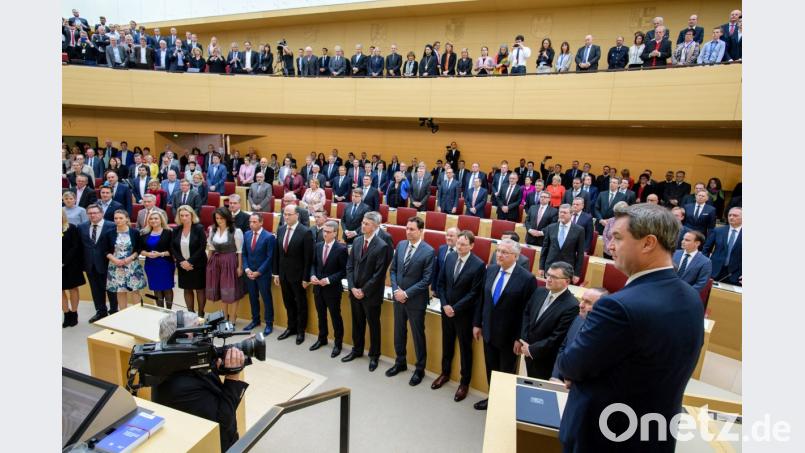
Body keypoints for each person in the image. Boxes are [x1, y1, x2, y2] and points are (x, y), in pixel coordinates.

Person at [557, 203, 704, 451]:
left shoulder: (617, 307)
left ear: (648, 243)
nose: (610, 246)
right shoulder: (691, 298)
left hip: (604, 437)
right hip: (655, 434)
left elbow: (571, 365)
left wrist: (575, 372)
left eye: (617, 238)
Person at [152, 311, 248, 452]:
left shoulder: (176, 361)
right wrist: (232, 377)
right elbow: (222, 424)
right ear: (180, 339)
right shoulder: (180, 387)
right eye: (197, 332)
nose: (204, 336)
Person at [473, 239, 537, 410]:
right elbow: (482, 299)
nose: (499, 255)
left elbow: (527, 312)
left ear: (516, 256)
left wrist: (520, 338)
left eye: (504, 252)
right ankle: (492, 398)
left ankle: (503, 407)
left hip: (510, 338)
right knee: (491, 369)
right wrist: (477, 323)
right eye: (498, 251)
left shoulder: (527, 278)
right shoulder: (491, 269)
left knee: (506, 373)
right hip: (488, 332)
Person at [432, 230, 485, 400]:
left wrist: (454, 308)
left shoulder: (478, 265)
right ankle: (445, 373)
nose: (459, 247)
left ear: (471, 245)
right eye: (458, 244)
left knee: (465, 349)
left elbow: (474, 293)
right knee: (447, 344)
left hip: (464, 315)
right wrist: (445, 304)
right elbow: (441, 284)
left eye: (463, 244)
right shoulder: (450, 257)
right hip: (446, 310)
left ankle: (464, 383)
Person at [387, 217, 435, 386]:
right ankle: (400, 362)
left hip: (415, 301)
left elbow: (426, 280)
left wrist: (405, 293)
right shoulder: (400, 245)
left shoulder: (428, 251)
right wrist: (395, 290)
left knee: (417, 336)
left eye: (412, 229)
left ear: (421, 231)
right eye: (407, 228)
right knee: (399, 332)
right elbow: (393, 270)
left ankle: (419, 369)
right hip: (398, 298)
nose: (408, 231)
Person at [343, 212, 391, 371]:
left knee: (373, 325)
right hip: (355, 290)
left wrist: (363, 290)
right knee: (357, 323)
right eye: (363, 223)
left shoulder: (382, 245)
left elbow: (379, 274)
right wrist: (352, 287)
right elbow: (349, 266)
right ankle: (357, 350)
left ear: (376, 226)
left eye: (367, 224)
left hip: (370, 294)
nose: (363, 226)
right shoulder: (356, 241)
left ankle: (374, 355)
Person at [518, 261, 579, 379]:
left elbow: (557, 337)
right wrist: (525, 340)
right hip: (528, 349)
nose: (548, 279)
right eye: (548, 275)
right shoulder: (540, 291)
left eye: (554, 277)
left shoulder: (571, 305)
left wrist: (532, 349)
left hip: (546, 359)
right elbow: (527, 314)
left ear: (567, 281)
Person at [272, 204, 314, 344]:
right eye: (285, 214)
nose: (286, 217)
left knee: (301, 304)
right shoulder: (281, 229)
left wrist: (306, 277)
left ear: (297, 215)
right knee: (288, 302)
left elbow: (308, 258)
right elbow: (278, 253)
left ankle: (301, 331)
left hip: (298, 276)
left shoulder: (305, 232)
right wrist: (276, 273)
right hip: (283, 275)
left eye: (289, 214)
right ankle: (291, 327)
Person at [550, 287, 608, 384]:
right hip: (559, 381)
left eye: (588, 302)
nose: (581, 305)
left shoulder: (605, 333)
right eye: (582, 300)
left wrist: (570, 382)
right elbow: (563, 349)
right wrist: (555, 376)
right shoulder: (578, 319)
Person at [308, 220, 348, 356]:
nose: (325, 234)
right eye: (324, 231)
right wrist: (312, 275)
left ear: (335, 233)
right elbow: (313, 264)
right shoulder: (318, 246)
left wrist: (329, 280)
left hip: (332, 290)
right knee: (321, 316)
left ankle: (338, 344)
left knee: (335, 317)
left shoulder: (341, 249)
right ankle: (322, 338)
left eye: (328, 232)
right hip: (318, 288)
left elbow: (344, 271)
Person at [80, 204, 118, 322]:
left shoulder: (112, 226)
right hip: (90, 264)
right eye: (90, 213)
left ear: (101, 213)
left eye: (95, 212)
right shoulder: (81, 227)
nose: (92, 215)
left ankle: (113, 312)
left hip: (108, 264)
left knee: (111, 290)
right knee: (96, 290)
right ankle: (101, 312)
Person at [206, 207, 245, 322]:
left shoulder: (235, 231)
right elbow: (211, 248)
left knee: (230, 290)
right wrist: (209, 263)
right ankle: (224, 317)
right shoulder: (212, 230)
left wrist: (239, 267)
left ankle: (232, 317)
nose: (219, 220)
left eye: (221, 218)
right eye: (217, 218)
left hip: (230, 261)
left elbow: (239, 251)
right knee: (220, 290)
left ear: (227, 218)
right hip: (216, 261)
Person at [240, 213, 276, 336]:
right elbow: (244, 253)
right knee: (252, 297)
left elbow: (270, 257)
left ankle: (269, 323)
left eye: (254, 222)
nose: (251, 224)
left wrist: (259, 271)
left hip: (263, 274)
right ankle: (255, 320)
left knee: (266, 299)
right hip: (249, 273)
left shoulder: (269, 237)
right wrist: (246, 269)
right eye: (250, 222)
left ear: (261, 222)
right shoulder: (246, 234)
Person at [171, 206, 208, 316]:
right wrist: (182, 261)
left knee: (200, 289)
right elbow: (173, 247)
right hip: (182, 266)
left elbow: (202, 247)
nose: (184, 218)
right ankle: (190, 313)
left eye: (187, 215)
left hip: (198, 265)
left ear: (192, 216)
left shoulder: (199, 228)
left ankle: (201, 313)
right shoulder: (176, 229)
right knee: (187, 289)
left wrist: (190, 262)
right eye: (181, 215)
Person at [538, 205, 586, 283]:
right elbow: (545, 248)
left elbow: (580, 254)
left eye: (565, 212)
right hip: (550, 266)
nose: (562, 214)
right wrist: (541, 267)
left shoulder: (579, 230)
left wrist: (577, 273)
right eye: (560, 212)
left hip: (567, 268)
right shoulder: (551, 227)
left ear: (571, 214)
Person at [140, 211, 174, 308]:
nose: (153, 220)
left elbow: (173, 250)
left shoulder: (169, 232)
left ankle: (169, 311)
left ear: (161, 220)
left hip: (165, 264)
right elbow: (139, 249)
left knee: (167, 288)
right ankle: (160, 311)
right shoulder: (144, 233)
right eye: (151, 218)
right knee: (156, 289)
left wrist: (160, 254)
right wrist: (147, 254)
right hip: (151, 265)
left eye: (156, 218)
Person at [703, 207, 742, 285]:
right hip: (714, 271)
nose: (731, 217)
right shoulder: (718, 231)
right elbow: (706, 249)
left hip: (736, 274)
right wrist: (704, 266)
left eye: (735, 215)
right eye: (729, 215)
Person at [62, 210, 85, 327]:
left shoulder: (71, 228)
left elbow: (75, 246)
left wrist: (64, 261)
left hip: (70, 264)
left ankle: (74, 313)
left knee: (73, 288)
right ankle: (66, 314)